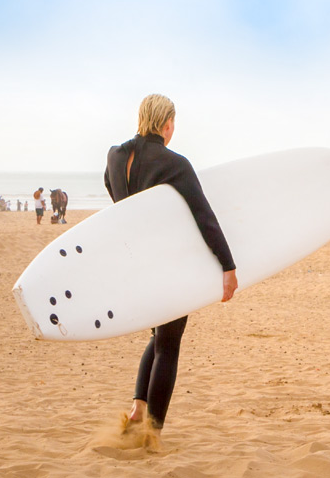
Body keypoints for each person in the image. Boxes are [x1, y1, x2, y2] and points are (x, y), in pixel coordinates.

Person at [104, 94, 238, 447]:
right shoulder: (174, 163)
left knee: (159, 337)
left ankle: (137, 409)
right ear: (167, 124)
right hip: (168, 263)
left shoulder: (115, 156)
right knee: (169, 344)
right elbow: (203, 215)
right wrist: (227, 265)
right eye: (173, 124)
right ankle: (153, 432)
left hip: (136, 264)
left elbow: (114, 198)